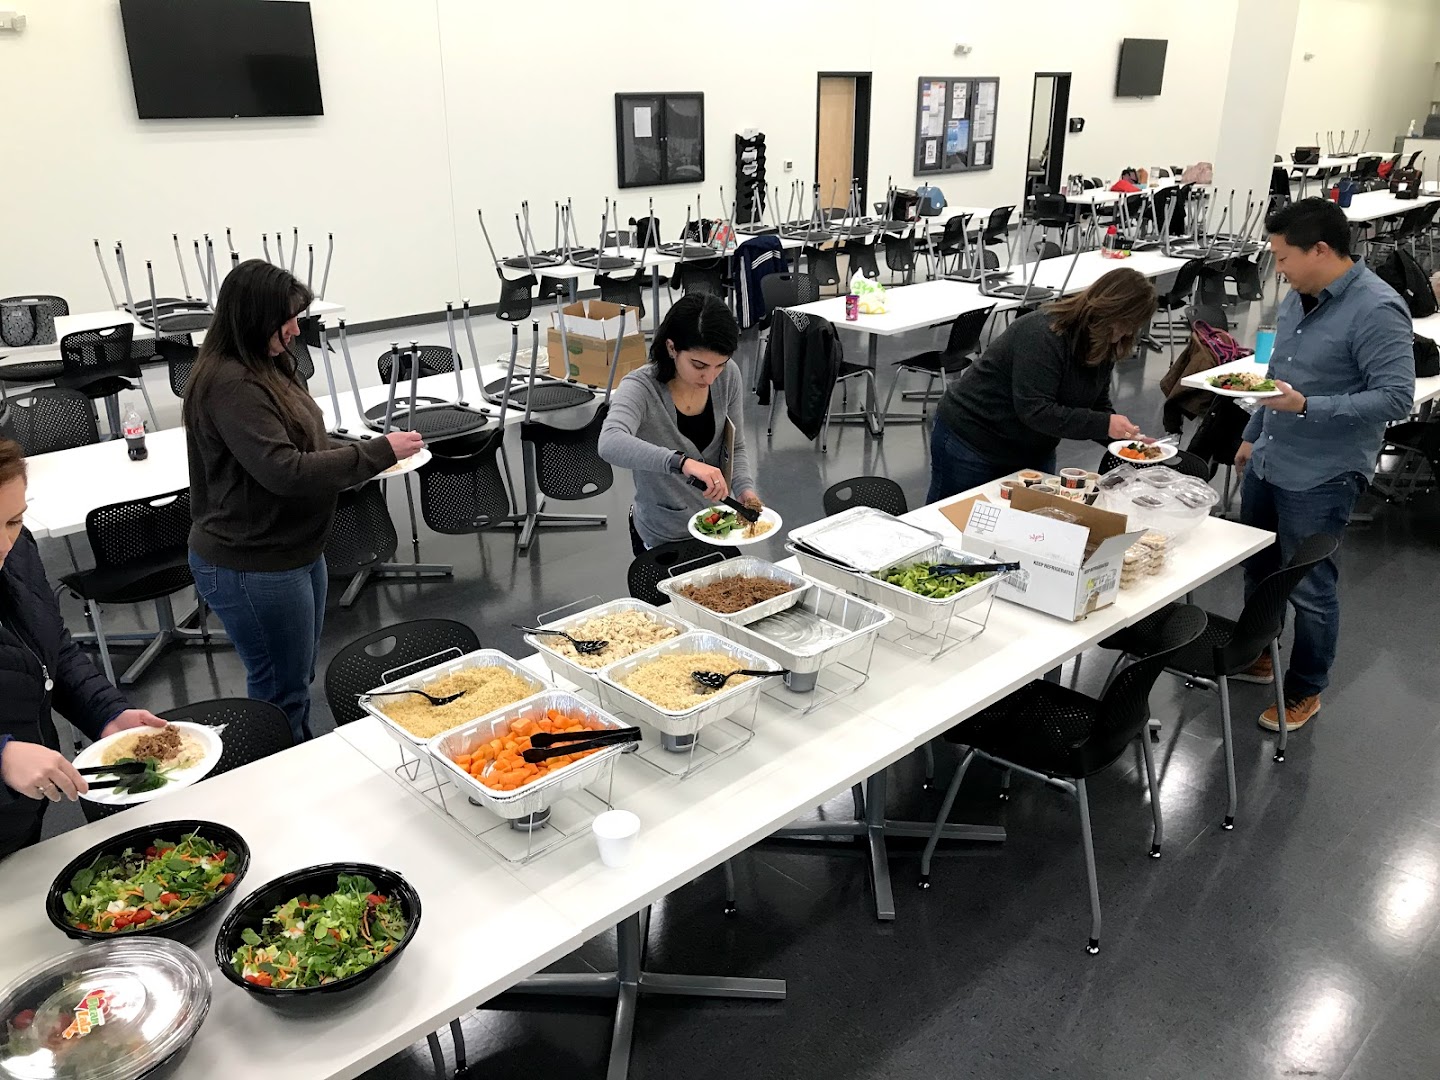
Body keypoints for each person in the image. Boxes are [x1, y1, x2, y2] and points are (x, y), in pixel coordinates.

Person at [184, 260, 425, 742]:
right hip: (252, 562)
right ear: (254, 318)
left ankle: (291, 750)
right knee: (281, 686)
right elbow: (285, 471)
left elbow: (305, 443)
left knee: (294, 677)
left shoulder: (268, 365)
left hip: (294, 551)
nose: (296, 330)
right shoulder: (231, 384)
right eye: (287, 319)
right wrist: (376, 453)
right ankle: (279, 765)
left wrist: (363, 455)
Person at [1233, 198, 1413, 731]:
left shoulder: (1377, 309)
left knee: (1310, 588)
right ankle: (1261, 651)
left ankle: (1305, 689)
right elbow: (1279, 375)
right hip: (1271, 456)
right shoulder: (1299, 296)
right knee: (1259, 569)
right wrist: (1252, 435)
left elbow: (1396, 397)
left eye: (1283, 257)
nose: (1278, 269)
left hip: (1323, 473)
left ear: (1320, 250)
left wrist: (1309, 406)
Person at [0, 439, 167, 859]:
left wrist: (105, 712)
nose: (3, 543)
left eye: (13, 521)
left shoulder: (18, 553)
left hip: (17, 816)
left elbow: (50, 648)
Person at [927, 268, 1158, 503]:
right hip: (973, 439)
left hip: (1032, 447)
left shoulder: (1104, 342)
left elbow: (1096, 403)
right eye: (1126, 322)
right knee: (953, 515)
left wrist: (1128, 442)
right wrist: (1105, 424)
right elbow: (1035, 410)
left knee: (1031, 517)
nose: (1129, 331)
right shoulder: (1043, 334)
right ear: (1108, 309)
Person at [598, 293, 760, 554]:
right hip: (664, 534)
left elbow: (735, 446)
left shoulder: (728, 376)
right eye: (699, 365)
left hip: (717, 526)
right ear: (672, 348)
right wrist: (681, 462)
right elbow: (609, 442)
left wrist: (745, 491)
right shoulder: (641, 387)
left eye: (719, 365)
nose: (710, 377)